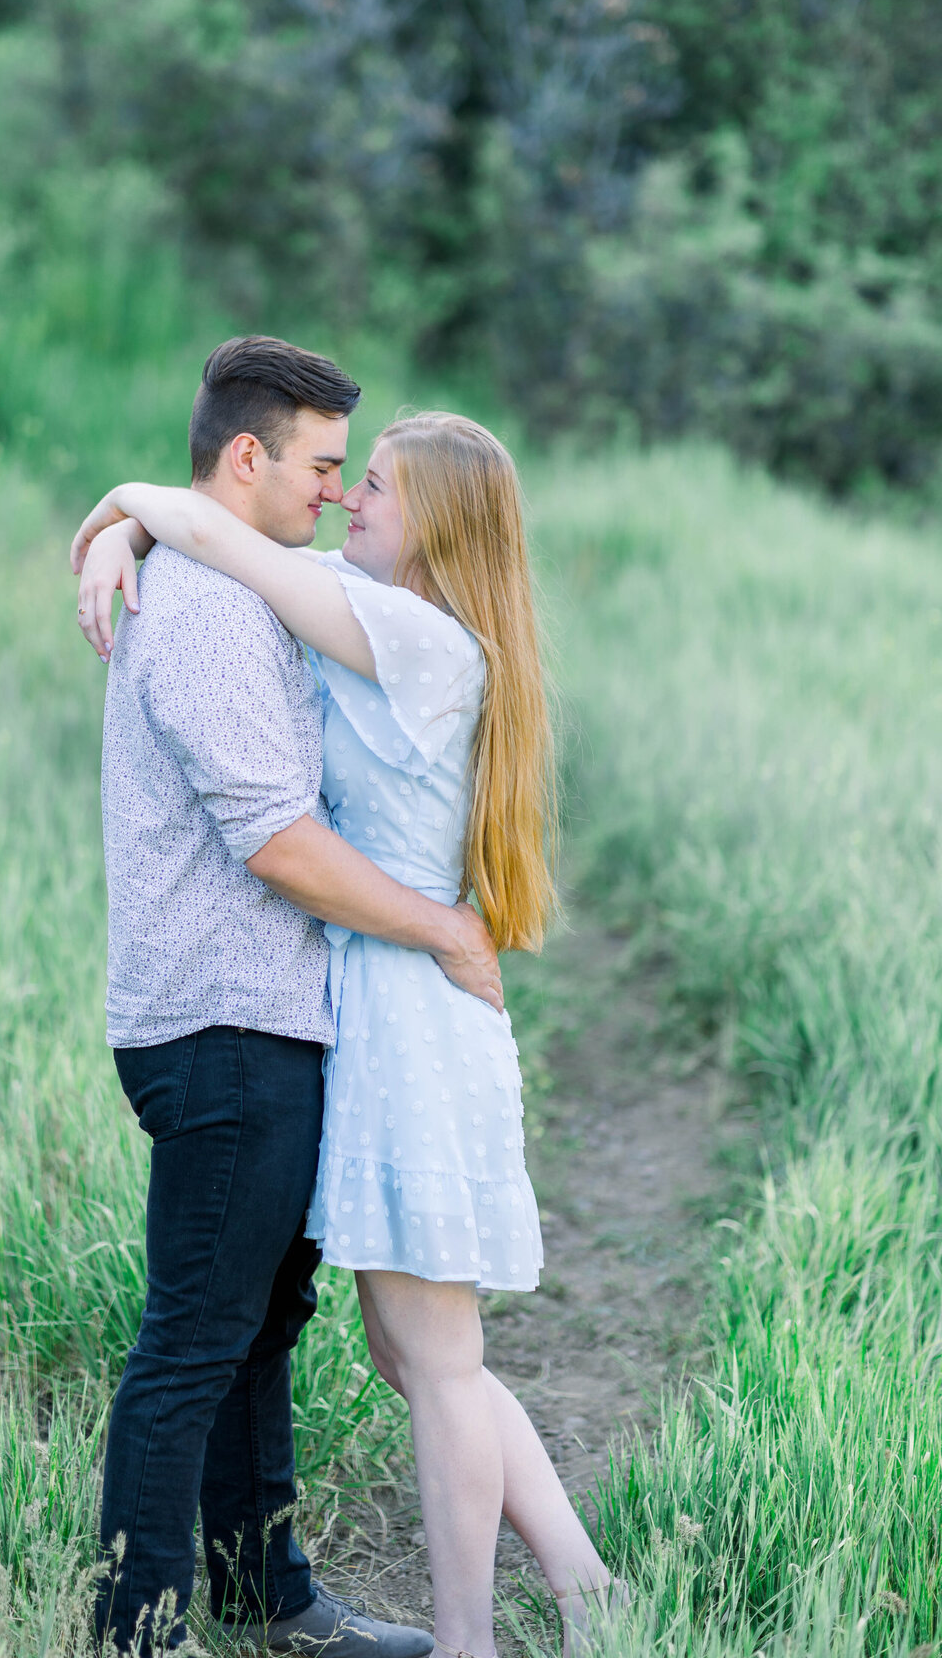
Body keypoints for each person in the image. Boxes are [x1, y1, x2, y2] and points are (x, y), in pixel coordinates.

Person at [74, 406, 630, 1658]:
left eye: (371, 485)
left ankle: (467, 1639)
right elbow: (223, 531)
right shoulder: (382, 604)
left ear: (432, 521)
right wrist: (120, 527)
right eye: (344, 474)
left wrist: (126, 502)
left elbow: (239, 543)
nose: (346, 500)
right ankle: (586, 1583)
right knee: (413, 1349)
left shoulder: (421, 639)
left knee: (434, 1354)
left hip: (413, 1019)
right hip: (371, 1012)